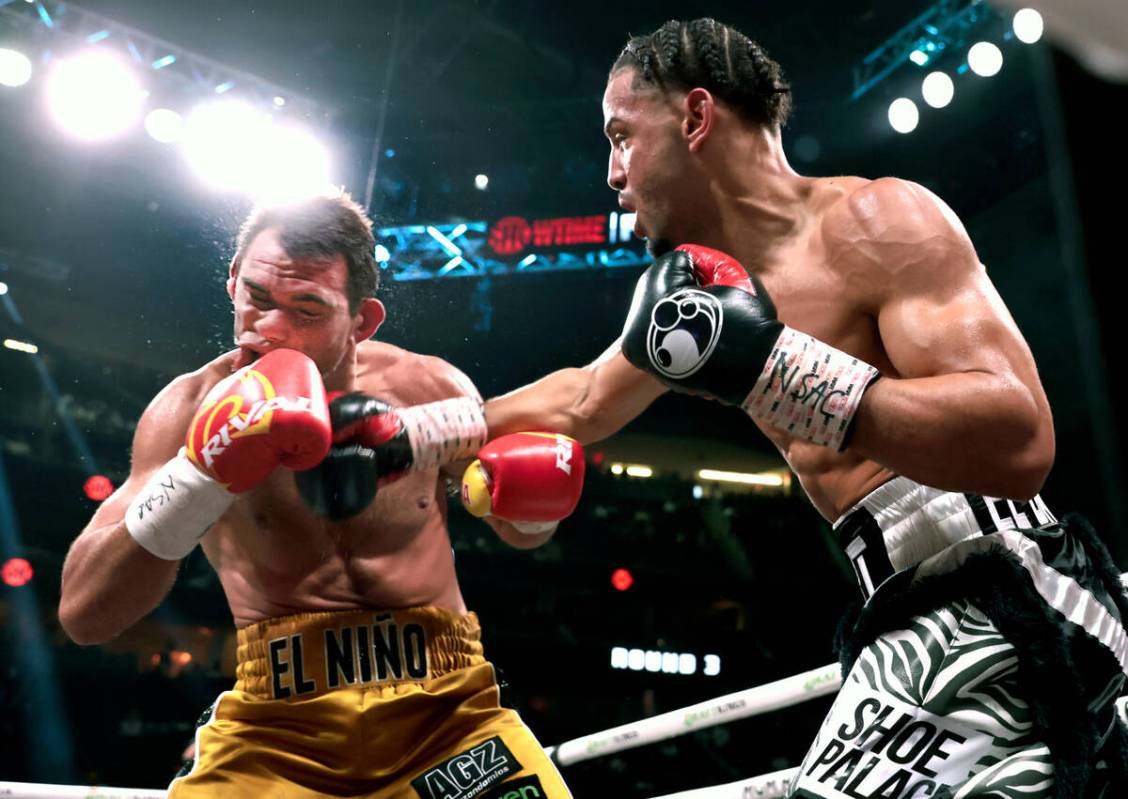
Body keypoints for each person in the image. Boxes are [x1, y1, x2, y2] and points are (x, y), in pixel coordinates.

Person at [369, 18, 1128, 798]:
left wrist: (775, 368)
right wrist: (406, 436)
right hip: (904, 607)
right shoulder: (700, 303)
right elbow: (584, 398)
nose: (611, 173)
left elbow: (1018, 437)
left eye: (622, 136)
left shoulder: (876, 221)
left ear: (695, 118)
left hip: (1003, 595)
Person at [57, 192, 583, 799]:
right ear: (232, 282)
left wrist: (534, 507)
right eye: (256, 296)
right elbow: (84, 614)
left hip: (448, 719)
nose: (270, 328)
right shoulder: (187, 411)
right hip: (275, 734)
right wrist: (199, 476)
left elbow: (520, 528)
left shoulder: (425, 387)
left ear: (362, 321)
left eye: (307, 309)